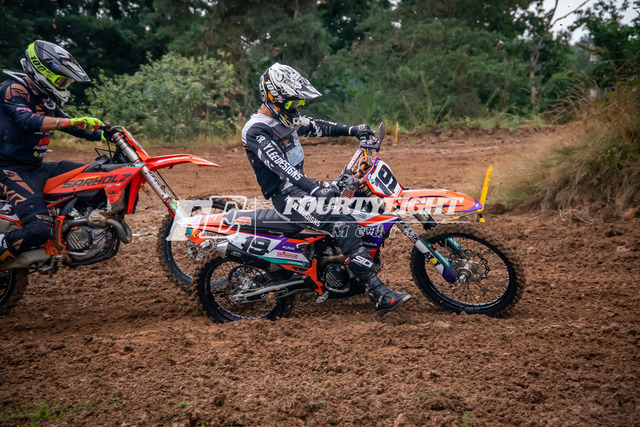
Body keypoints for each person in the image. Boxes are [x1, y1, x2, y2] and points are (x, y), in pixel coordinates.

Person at [242, 62, 411, 316]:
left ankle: (346, 266)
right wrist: (315, 190)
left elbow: (316, 126)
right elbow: (281, 167)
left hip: (302, 188)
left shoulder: (285, 118)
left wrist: (352, 130)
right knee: (340, 220)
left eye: (298, 102)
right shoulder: (257, 130)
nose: (297, 107)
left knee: (363, 196)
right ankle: (377, 292)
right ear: (275, 98)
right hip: (287, 197)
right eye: (292, 102)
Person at [0, 40, 104, 262]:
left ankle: (81, 232)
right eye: (62, 80)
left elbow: (69, 123)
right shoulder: (12, 89)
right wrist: (68, 123)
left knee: (98, 175)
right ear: (42, 73)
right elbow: (27, 119)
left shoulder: (42, 96)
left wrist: (104, 133)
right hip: (8, 170)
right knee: (39, 229)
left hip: (35, 168)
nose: (64, 85)